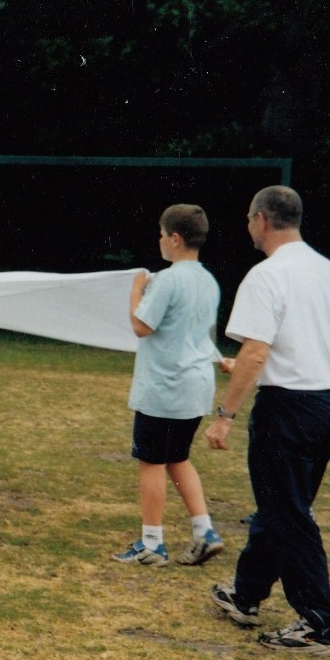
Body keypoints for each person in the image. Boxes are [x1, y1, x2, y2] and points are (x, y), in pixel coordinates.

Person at [206, 186, 330, 657]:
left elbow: (256, 351)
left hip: (289, 409)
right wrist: (251, 369)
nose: (249, 226)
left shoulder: (266, 275)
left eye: (250, 218)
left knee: (288, 511)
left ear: (262, 220)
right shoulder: (328, 271)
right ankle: (246, 595)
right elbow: (299, 344)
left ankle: (317, 624)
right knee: (282, 503)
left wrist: (224, 416)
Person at [112, 204, 225, 567]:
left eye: (161, 235)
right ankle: (205, 532)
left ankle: (152, 544)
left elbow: (141, 326)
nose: (159, 241)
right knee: (177, 457)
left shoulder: (169, 279)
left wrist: (136, 291)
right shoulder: (208, 281)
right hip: (195, 387)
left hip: (165, 387)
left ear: (175, 238)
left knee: (151, 462)